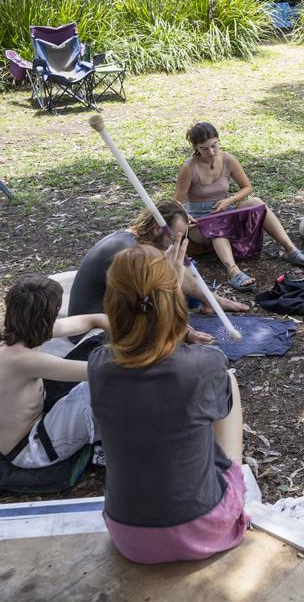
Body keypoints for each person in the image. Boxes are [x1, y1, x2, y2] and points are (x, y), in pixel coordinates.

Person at [88, 238, 250, 564]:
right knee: (227, 381)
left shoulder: (98, 365)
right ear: (172, 301)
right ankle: (235, 476)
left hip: (129, 537)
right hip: (205, 529)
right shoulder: (205, 363)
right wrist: (172, 291)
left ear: (112, 303)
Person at [174, 121, 304, 290]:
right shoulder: (189, 168)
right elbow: (177, 202)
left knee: (257, 203)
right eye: (204, 148)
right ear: (195, 147)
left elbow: (247, 187)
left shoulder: (228, 159)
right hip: (200, 219)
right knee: (219, 227)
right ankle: (233, 271)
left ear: (218, 140)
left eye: (214, 146)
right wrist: (185, 215)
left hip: (225, 210)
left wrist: (229, 201)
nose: (211, 152)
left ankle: (290, 249)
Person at [68, 199, 247, 320]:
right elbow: (153, 304)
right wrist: (186, 333)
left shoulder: (138, 239)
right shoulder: (130, 253)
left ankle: (212, 299)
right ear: (156, 229)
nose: (174, 244)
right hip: (95, 327)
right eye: (174, 238)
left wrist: (210, 298)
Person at [0, 275, 106, 473]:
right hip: (31, 450)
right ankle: (109, 450)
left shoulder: (20, 335)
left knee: (95, 345)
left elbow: (89, 320)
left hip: (35, 430)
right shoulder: (23, 360)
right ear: (46, 319)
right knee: (100, 388)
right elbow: (101, 373)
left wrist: (109, 324)